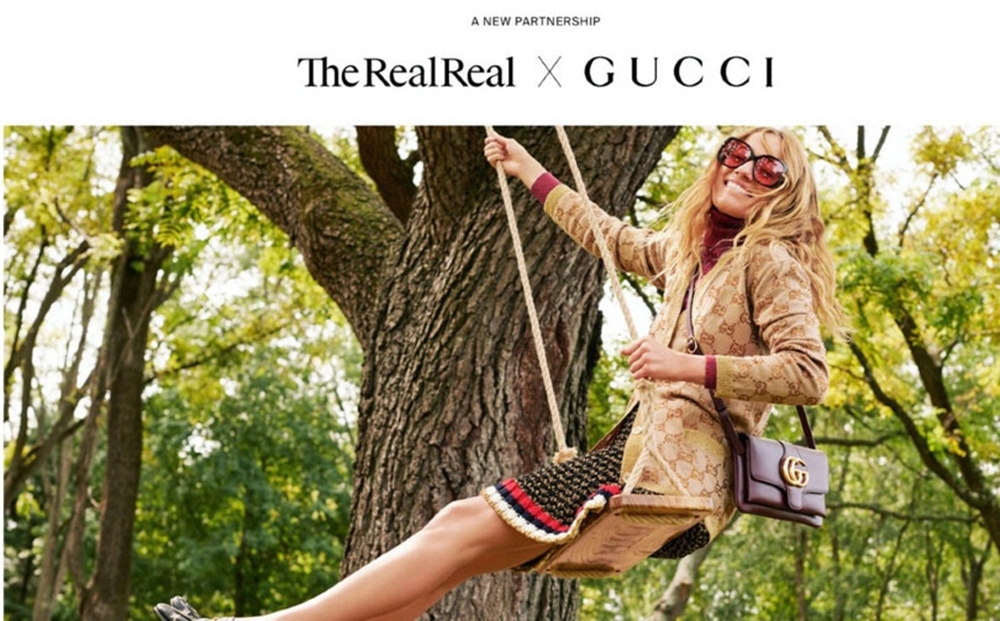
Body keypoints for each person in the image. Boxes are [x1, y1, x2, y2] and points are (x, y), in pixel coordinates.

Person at [155, 127, 847, 621]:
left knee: (458, 523)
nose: (743, 170)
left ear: (787, 194)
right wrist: (528, 170)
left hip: (672, 480)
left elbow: (807, 373)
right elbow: (606, 234)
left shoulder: (770, 260)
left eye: (768, 170)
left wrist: (687, 365)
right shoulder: (689, 252)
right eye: (735, 154)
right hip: (640, 464)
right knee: (452, 561)